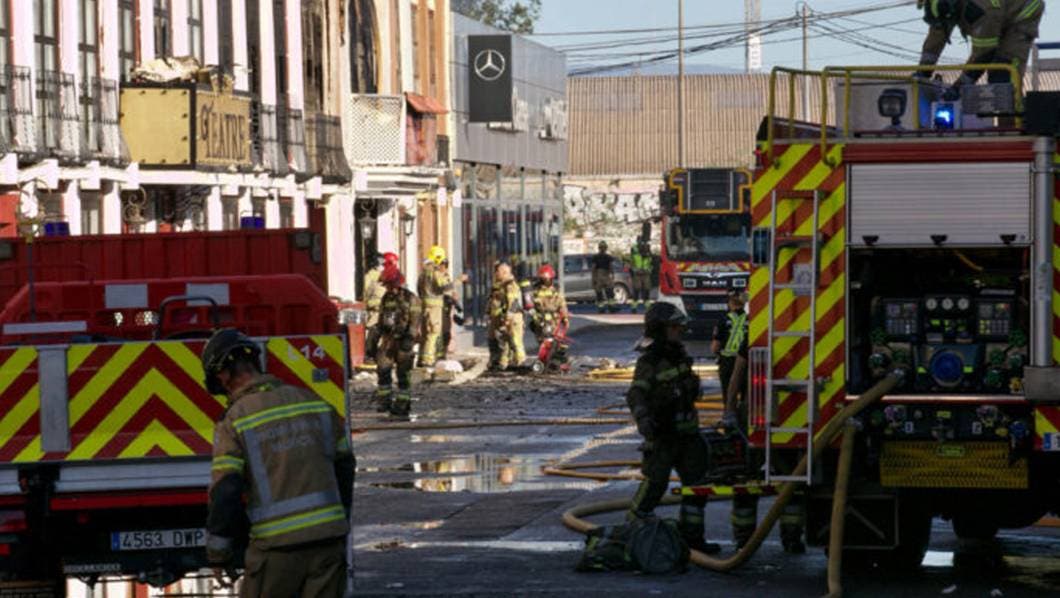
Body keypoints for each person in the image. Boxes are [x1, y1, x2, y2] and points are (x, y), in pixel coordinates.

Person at [203, 328, 354, 597]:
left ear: (223, 375)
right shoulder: (314, 403)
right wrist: (339, 518)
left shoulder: (235, 420)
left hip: (276, 551)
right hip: (328, 544)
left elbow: (226, 489)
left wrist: (219, 552)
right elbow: (345, 466)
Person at [626, 303, 721, 555]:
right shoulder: (650, 361)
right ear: (660, 329)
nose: (680, 330)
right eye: (674, 327)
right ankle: (633, 532)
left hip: (689, 436)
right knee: (655, 485)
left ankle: (693, 539)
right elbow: (636, 394)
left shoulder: (679, 355)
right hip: (664, 436)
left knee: (697, 488)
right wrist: (643, 419)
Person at [917, 0, 1044, 99]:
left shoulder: (981, 11)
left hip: (1022, 14)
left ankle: (1014, 119)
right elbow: (937, 35)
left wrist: (958, 87)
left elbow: (983, 54)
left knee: (1003, 78)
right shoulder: (944, 6)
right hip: (1001, 10)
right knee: (998, 78)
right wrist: (923, 72)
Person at [375, 263, 422, 417]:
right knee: (383, 369)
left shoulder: (411, 298)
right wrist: (375, 337)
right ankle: (384, 401)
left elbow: (415, 321)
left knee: (403, 374)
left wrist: (409, 339)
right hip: (388, 340)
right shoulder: (386, 298)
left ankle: (402, 404)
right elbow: (381, 318)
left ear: (396, 283)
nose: (387, 288)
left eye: (388, 285)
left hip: (404, 341)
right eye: (385, 285)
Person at [712, 290, 749, 424]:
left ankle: (730, 422)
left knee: (729, 396)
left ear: (729, 303)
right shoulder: (751, 319)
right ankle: (745, 423)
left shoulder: (723, 320)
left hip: (727, 363)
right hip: (747, 362)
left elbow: (715, 347)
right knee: (746, 395)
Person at [487, 261, 526, 371]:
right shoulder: (499, 285)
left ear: (504, 272)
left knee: (515, 340)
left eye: (498, 271)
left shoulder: (511, 285)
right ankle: (502, 363)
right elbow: (492, 301)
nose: (496, 273)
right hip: (501, 318)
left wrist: (507, 319)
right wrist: (489, 314)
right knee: (502, 341)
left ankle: (521, 362)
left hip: (513, 318)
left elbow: (512, 303)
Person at [418, 245, 453, 368]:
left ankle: (421, 358)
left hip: (424, 306)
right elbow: (444, 287)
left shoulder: (423, 272)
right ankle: (427, 360)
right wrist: (458, 281)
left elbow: (419, 289)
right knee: (433, 332)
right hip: (435, 307)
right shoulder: (435, 272)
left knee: (425, 334)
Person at [529, 264, 570, 364]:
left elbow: (562, 304)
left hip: (554, 320)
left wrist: (565, 318)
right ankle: (544, 359)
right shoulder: (535, 292)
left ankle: (554, 359)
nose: (546, 281)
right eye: (544, 279)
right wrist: (534, 316)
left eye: (548, 279)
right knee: (543, 341)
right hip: (540, 320)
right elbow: (530, 306)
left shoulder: (555, 291)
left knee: (554, 341)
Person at [364, 252, 398, 363]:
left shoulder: (384, 276)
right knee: (374, 332)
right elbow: (367, 297)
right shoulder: (371, 277)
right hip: (377, 311)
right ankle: (370, 355)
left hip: (385, 311)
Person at [591, 241, 618, 313]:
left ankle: (602, 308)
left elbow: (593, 268)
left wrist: (594, 278)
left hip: (599, 275)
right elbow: (611, 267)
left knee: (600, 293)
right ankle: (611, 307)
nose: (603, 249)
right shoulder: (608, 257)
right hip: (605, 275)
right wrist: (612, 275)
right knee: (609, 292)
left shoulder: (595, 257)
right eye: (603, 247)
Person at [629, 240, 654, 313]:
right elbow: (630, 264)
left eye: (645, 247)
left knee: (646, 290)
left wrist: (649, 270)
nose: (645, 249)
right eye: (643, 247)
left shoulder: (648, 256)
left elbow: (651, 264)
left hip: (646, 275)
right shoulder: (635, 255)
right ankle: (634, 307)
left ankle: (647, 306)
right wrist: (634, 270)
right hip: (637, 275)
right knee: (636, 290)